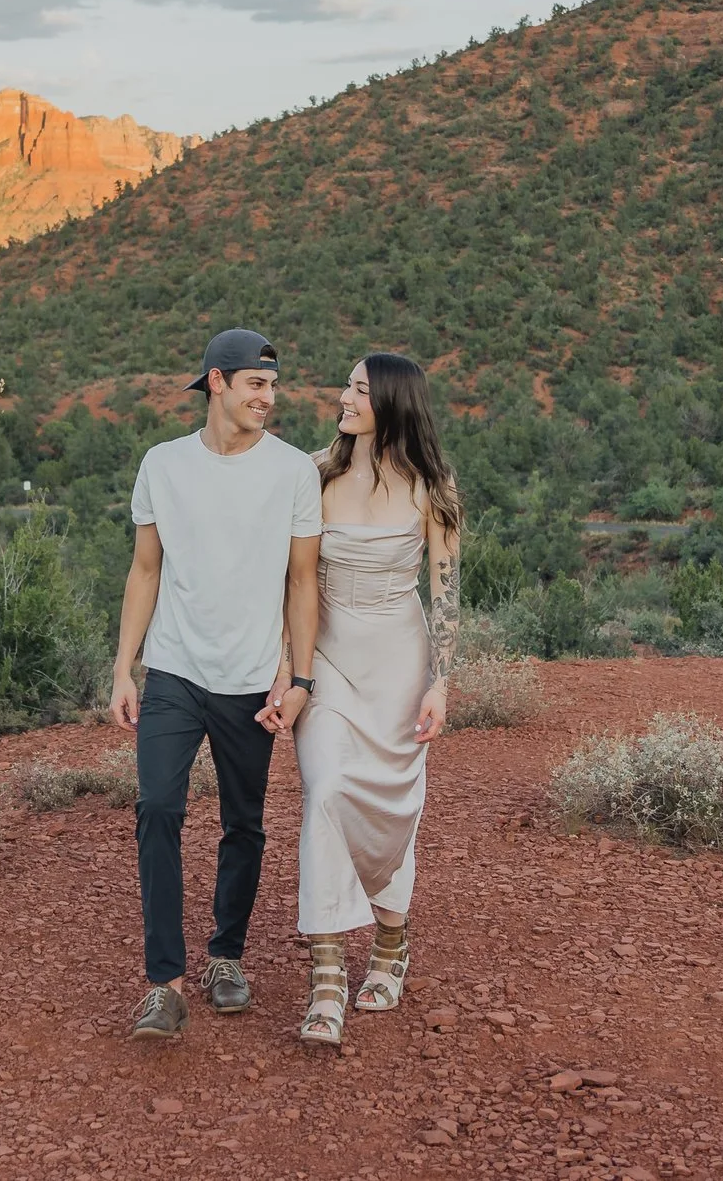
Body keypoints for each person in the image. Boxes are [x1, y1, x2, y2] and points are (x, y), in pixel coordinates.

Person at [109, 328, 322, 1042]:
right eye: (257, 384)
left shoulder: (293, 471)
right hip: (173, 669)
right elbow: (145, 570)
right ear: (218, 383)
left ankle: (226, 954)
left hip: (248, 682)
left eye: (273, 385)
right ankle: (164, 983)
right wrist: (124, 666)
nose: (270, 397)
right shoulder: (162, 465)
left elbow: (302, 580)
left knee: (244, 822)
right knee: (158, 807)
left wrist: (299, 677)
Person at [289, 352, 462, 1047]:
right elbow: (289, 579)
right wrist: (288, 669)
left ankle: (391, 940)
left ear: (390, 401)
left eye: (359, 388)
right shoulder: (313, 472)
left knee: (393, 806)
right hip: (326, 658)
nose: (344, 395)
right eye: (347, 384)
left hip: (398, 661)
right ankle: (326, 978)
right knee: (326, 789)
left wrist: (440, 680)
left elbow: (445, 593)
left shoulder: (433, 485)